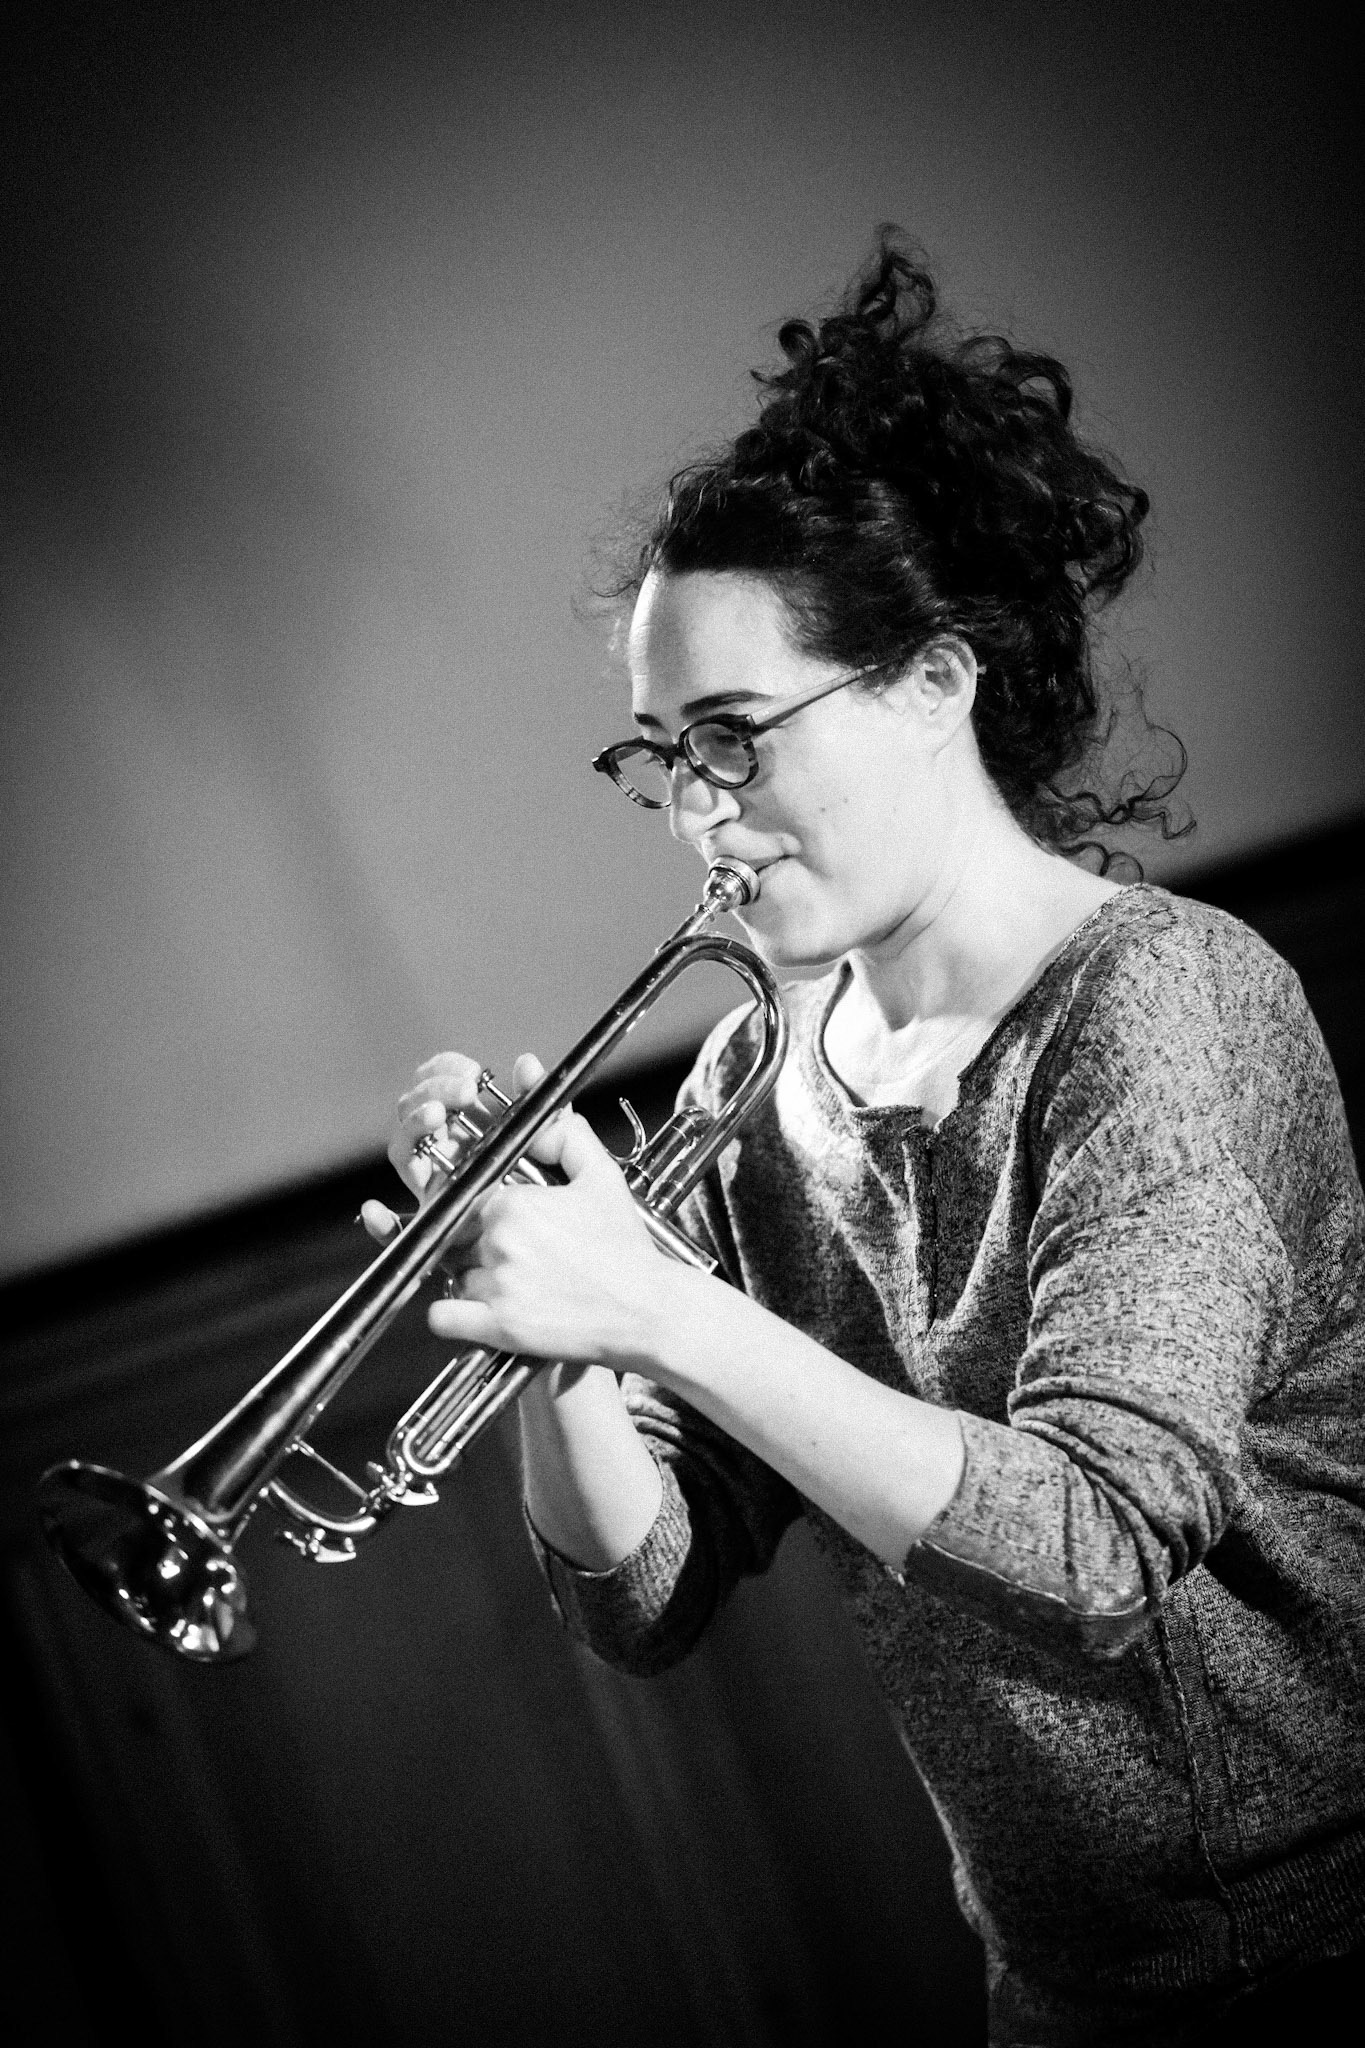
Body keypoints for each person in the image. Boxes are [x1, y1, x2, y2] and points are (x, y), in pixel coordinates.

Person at [363, 239, 1365, 2045]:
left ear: (931, 685)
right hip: (1055, 1989)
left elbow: (1094, 1553)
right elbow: (642, 1600)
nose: (697, 811)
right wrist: (551, 1328)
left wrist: (659, 1310)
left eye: (735, 736)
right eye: (660, 755)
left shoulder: (1162, 1004)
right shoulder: (759, 1072)